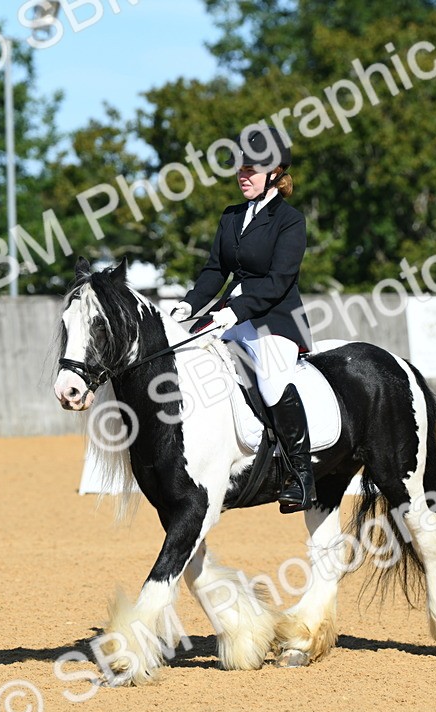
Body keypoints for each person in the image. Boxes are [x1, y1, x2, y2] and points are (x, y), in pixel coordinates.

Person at [170, 127, 316, 513]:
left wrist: (235, 310)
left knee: (270, 384)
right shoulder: (231, 216)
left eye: (251, 169)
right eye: (239, 168)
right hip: (229, 315)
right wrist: (187, 306)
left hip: (275, 319)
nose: (243, 175)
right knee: (189, 361)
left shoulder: (290, 220)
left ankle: (300, 475)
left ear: (275, 172)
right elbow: (215, 270)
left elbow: (279, 280)